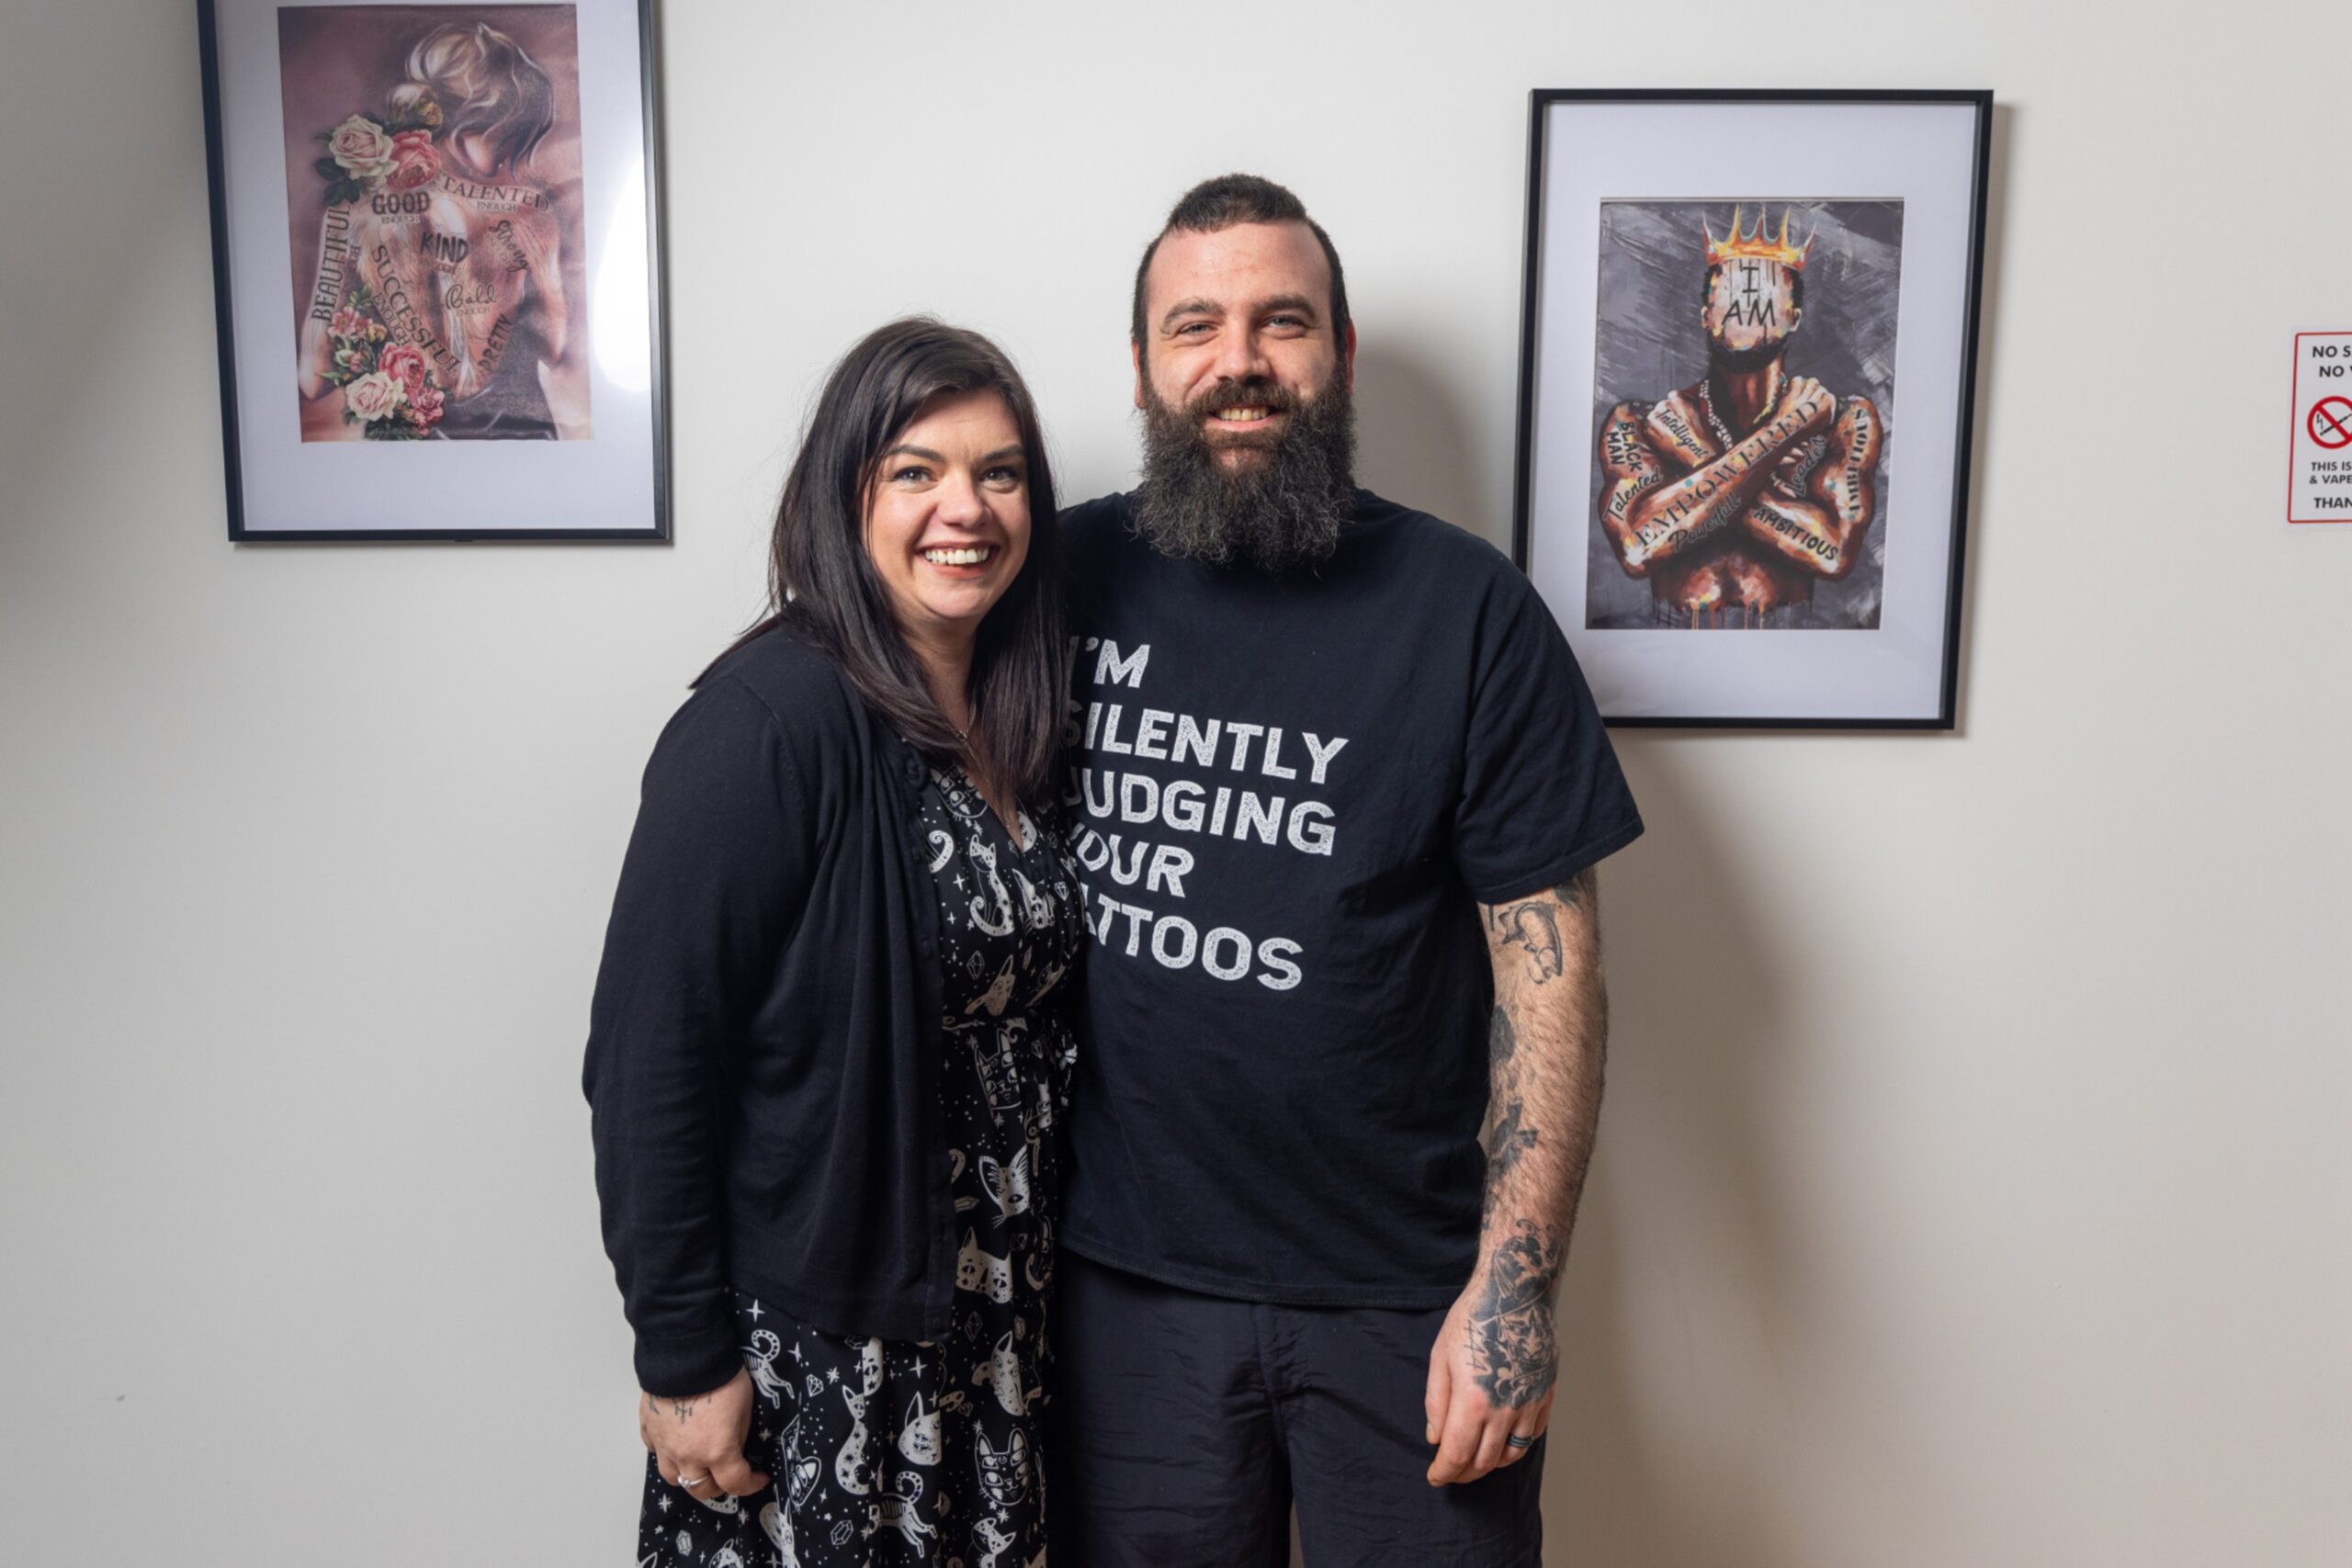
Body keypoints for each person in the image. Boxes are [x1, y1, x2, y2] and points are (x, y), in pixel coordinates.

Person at [1046, 175, 1644, 1565]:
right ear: (1142, 363)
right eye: (1196, 323)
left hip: (1408, 1300)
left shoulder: (1468, 609)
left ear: (1342, 352)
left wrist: (1515, 1287)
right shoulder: (1052, 580)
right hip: (1125, 1298)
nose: (1239, 360)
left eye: (1283, 320)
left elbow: (1549, 978)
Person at [583, 320, 1079, 1567]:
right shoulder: (766, 724)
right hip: (835, 1345)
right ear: (843, 492)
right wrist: (684, 1354)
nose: (963, 507)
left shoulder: (1019, 709)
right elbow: (647, 1062)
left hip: (997, 1326)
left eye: (999, 471)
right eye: (916, 469)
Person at [296, 20, 587, 440]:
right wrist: (546, 272)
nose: (514, 158)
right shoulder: (526, 211)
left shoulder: (352, 209)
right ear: (482, 124)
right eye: (512, 135)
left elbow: (312, 378)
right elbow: (554, 349)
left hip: (406, 442)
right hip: (515, 438)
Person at [1595, 205, 1885, 626]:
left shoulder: (1843, 421)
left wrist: (1695, 452)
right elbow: (1638, 548)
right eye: (1729, 295)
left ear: (1794, 317)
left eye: (1766, 294)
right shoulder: (1638, 423)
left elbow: (1833, 552)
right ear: (1703, 316)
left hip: (1795, 659)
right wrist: (1786, 430)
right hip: (1666, 655)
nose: (1747, 306)